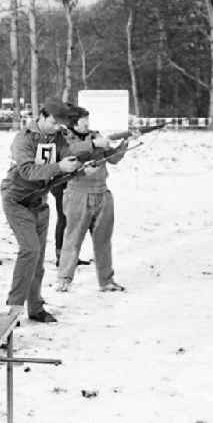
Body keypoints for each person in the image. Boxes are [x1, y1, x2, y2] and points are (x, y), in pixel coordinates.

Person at [0, 98, 81, 323]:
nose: (57, 128)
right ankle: (13, 309)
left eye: (60, 125)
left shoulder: (58, 138)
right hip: (16, 199)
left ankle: (35, 307)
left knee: (37, 259)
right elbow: (27, 171)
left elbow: (67, 161)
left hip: (39, 201)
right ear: (42, 116)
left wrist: (79, 168)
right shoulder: (23, 139)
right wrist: (59, 167)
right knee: (29, 250)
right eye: (54, 123)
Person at [56, 106, 128, 293]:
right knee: (73, 239)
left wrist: (124, 144)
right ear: (73, 123)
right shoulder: (64, 139)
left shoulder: (96, 136)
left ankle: (106, 281)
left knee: (103, 241)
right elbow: (71, 152)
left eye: (88, 120)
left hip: (102, 194)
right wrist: (95, 146)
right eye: (83, 120)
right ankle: (64, 279)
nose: (87, 123)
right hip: (78, 195)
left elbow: (113, 159)